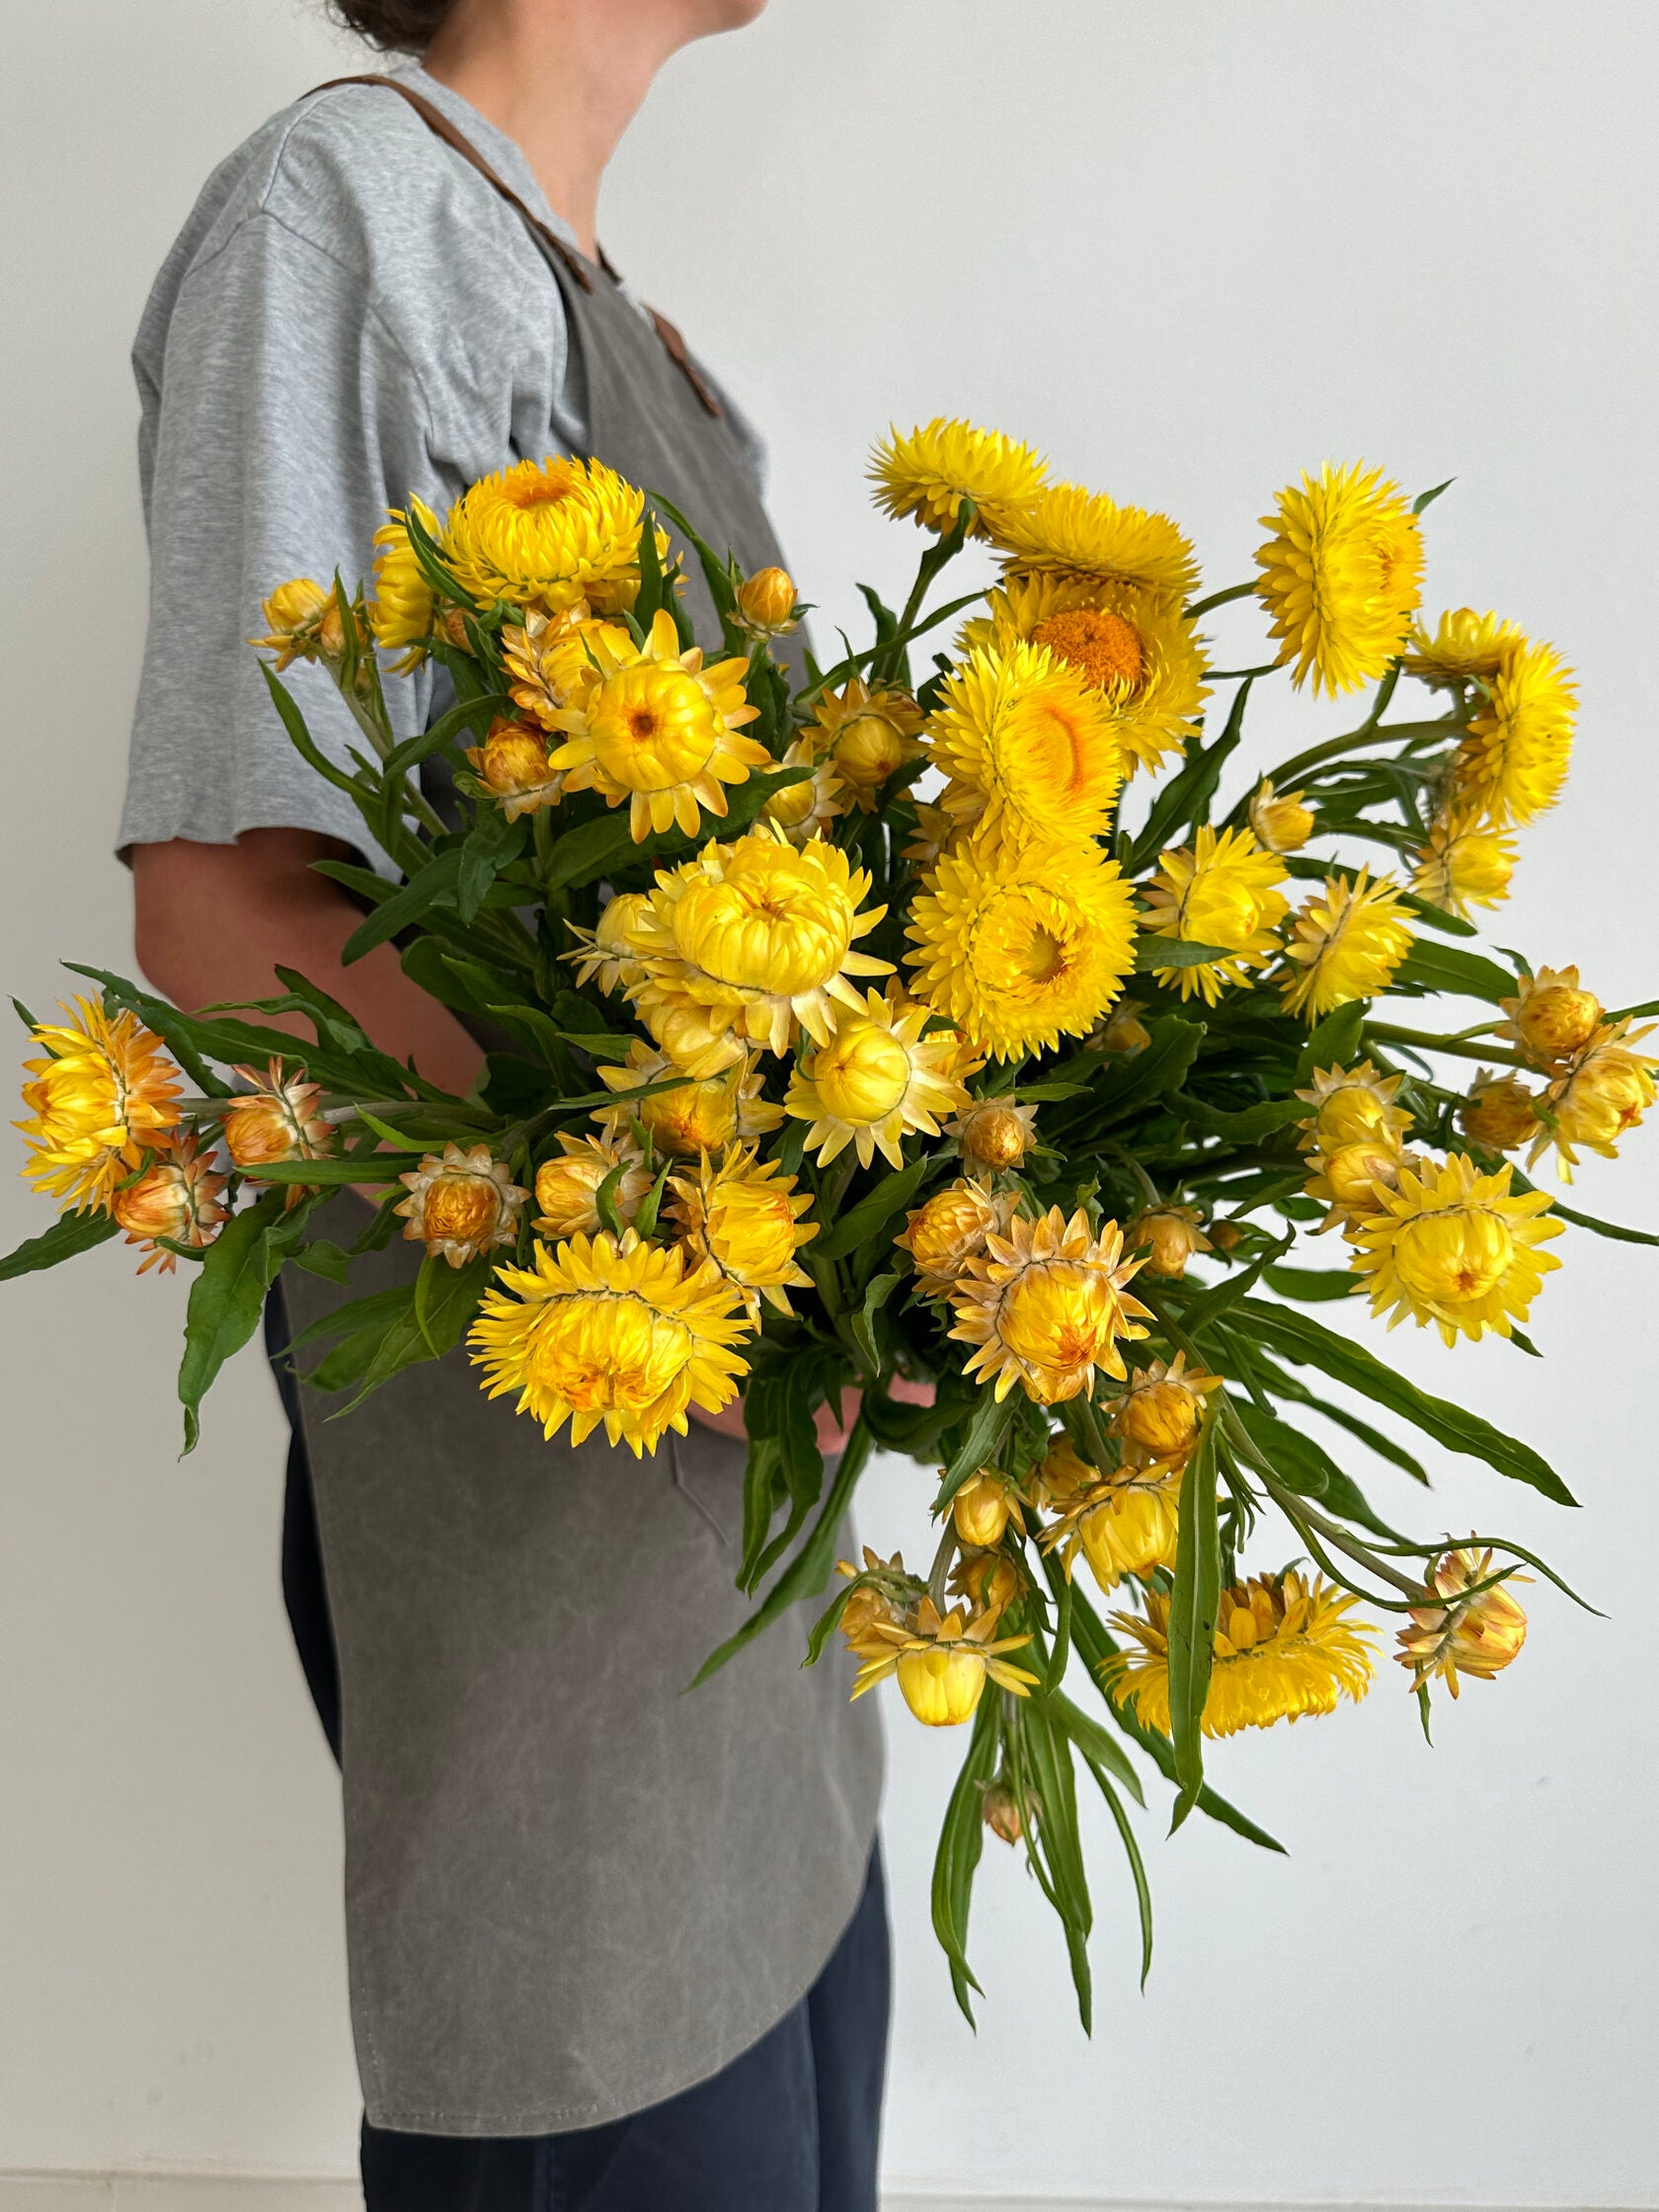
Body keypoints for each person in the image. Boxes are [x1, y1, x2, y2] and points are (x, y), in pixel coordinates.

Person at [119, 4, 889, 2205]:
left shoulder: (604, 306)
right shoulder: (340, 211)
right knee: (596, 2085)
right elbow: (233, 912)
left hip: (742, 1552)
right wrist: (719, 1226)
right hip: (546, 1495)